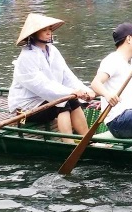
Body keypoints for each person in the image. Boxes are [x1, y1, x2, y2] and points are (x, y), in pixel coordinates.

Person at [8, 13, 95, 141]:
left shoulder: (53, 50)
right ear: (34, 34)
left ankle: (87, 139)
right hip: (27, 107)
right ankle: (69, 143)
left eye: (49, 29)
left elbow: (67, 75)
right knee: (63, 103)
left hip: (46, 98)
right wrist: (70, 92)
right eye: (44, 30)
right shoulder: (26, 57)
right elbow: (41, 85)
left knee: (73, 101)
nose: (49, 32)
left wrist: (85, 90)